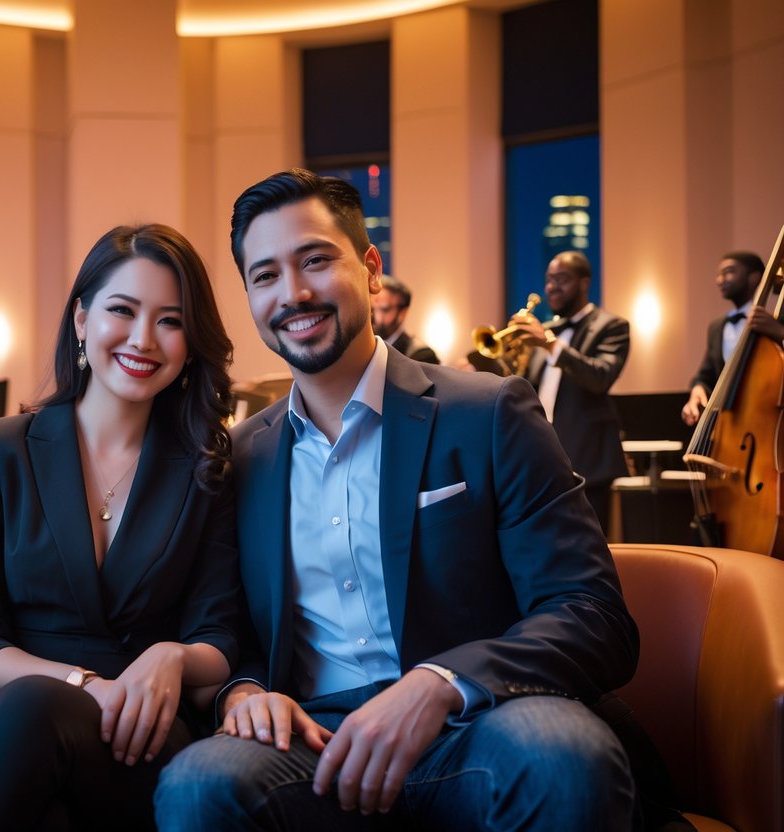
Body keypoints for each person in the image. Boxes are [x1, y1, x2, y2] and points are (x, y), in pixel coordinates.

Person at [155, 169, 640, 831]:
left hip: (479, 719)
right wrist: (242, 691)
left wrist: (439, 683)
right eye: (264, 275)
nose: (292, 293)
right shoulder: (239, 457)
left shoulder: (488, 413)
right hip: (314, 742)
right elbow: (227, 627)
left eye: (315, 261)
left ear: (370, 269)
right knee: (196, 785)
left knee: (559, 757)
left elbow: (592, 614)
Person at [0, 224, 241, 831]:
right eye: (122, 310)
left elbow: (221, 634)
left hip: (132, 733)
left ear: (191, 341)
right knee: (36, 737)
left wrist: (174, 657)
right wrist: (81, 685)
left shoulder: (209, 472)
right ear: (81, 320)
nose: (143, 338)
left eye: (170, 319)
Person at [505, 250, 630, 535]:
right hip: (541, 456)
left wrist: (550, 344)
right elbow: (523, 387)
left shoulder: (611, 326)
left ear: (584, 283)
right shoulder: (547, 330)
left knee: (591, 543)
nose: (551, 287)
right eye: (549, 280)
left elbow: (600, 377)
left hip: (589, 458)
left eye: (562, 279)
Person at [681, 251, 783, 426]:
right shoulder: (717, 327)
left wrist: (779, 331)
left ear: (754, 277)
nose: (719, 280)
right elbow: (706, 376)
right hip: (728, 424)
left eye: (729, 272)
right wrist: (696, 391)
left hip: (769, 422)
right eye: (719, 275)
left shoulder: (776, 318)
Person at [370, 275, 439, 364]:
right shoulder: (365, 348)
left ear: (403, 313)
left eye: (384, 309)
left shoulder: (421, 355)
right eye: (372, 308)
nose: (375, 315)